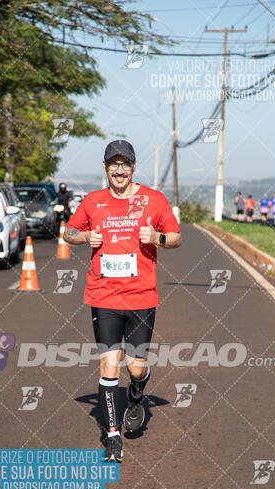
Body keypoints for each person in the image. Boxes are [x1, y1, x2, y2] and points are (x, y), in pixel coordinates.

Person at [64, 140, 182, 462]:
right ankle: (113, 436)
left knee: (137, 366)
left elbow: (176, 237)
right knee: (109, 366)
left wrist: (155, 238)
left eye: (125, 164)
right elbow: (68, 233)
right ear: (105, 168)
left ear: (133, 167)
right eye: (113, 164)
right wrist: (86, 237)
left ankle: (137, 392)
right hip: (103, 296)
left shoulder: (153, 200)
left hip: (142, 297)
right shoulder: (93, 201)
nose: (119, 170)